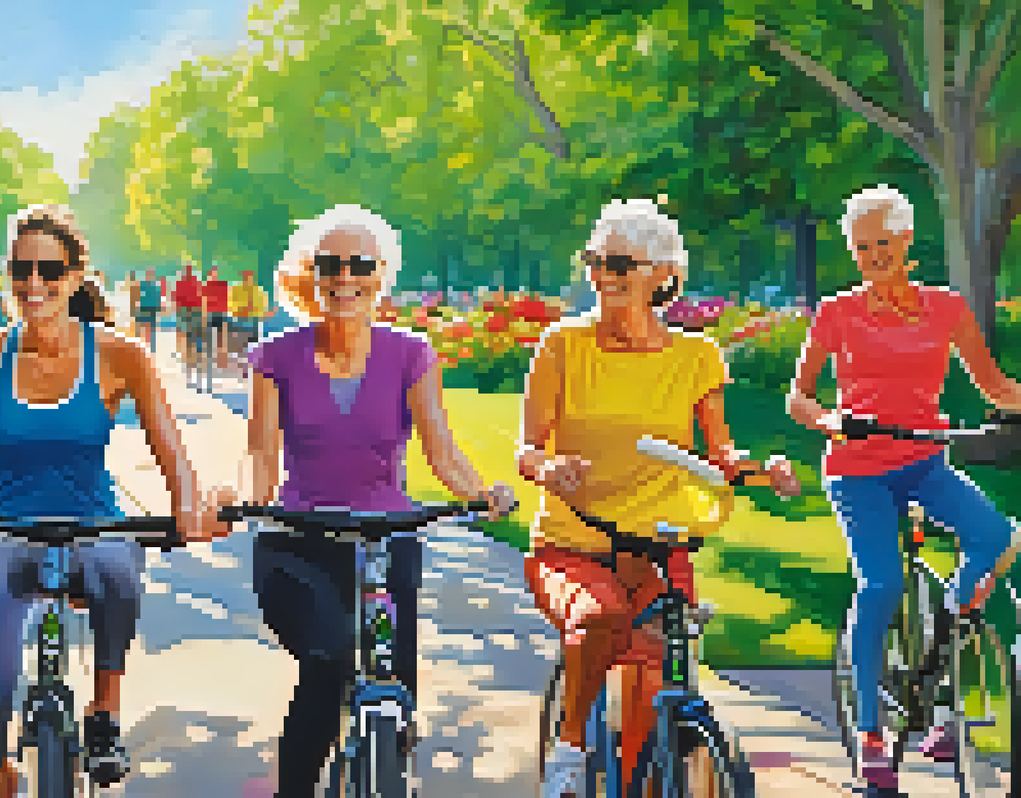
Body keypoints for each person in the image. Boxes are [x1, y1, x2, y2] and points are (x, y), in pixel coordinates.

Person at [0, 205, 233, 798]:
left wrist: (187, 506)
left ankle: (104, 711)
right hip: (2, 526)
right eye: (21, 269)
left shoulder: (119, 355)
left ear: (76, 275)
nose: (34, 283)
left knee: (120, 567)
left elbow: (170, 449)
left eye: (50, 270)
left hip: (92, 520)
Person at [522, 199, 799, 798]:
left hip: (659, 553)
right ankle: (569, 748)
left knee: (655, 706)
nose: (605, 274)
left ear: (664, 275)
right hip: (573, 547)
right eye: (597, 260)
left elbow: (720, 455)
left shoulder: (696, 356)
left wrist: (760, 471)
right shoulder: (561, 346)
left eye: (621, 263)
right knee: (597, 617)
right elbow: (528, 451)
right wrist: (549, 467)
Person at [245, 204, 517, 797]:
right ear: (309, 274)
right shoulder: (274, 357)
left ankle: (388, 763)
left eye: (360, 265)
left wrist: (483, 493)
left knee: (395, 691)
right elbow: (262, 458)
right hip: (298, 545)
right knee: (326, 661)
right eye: (330, 265)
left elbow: (441, 451)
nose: (345, 277)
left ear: (381, 276)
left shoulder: (411, 354)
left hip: (385, 543)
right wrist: (241, 502)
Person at [786, 185, 1021, 793]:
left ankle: (943, 652)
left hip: (924, 461)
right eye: (862, 247)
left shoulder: (947, 309)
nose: (872, 257)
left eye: (882, 244)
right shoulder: (837, 312)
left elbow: (996, 387)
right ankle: (870, 732)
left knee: (995, 536)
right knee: (883, 583)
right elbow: (799, 397)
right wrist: (831, 420)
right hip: (857, 467)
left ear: (907, 240)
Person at [228, 269, 270, 377]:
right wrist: (241, 309)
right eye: (245, 276)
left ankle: (250, 367)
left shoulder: (258, 291)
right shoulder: (236, 289)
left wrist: (251, 310)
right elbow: (231, 304)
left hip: (253, 321)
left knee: (253, 345)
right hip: (240, 320)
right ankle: (242, 367)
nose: (247, 279)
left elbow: (263, 306)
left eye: (249, 276)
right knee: (240, 345)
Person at [172, 263, 204, 381]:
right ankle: (192, 360)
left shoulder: (184, 282)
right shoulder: (195, 282)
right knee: (193, 337)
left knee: (189, 337)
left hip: (188, 311)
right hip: (192, 311)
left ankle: (190, 360)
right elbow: (200, 297)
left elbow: (177, 298)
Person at [202, 265, 230, 375]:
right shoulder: (207, 286)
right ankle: (209, 362)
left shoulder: (222, 285)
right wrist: (204, 315)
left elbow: (226, 299)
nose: (213, 275)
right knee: (209, 339)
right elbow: (204, 301)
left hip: (220, 313)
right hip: (211, 313)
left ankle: (221, 362)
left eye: (214, 272)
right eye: (211, 273)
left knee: (221, 340)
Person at [135, 267, 164, 352]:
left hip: (149, 308)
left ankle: (150, 346)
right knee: (147, 327)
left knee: (148, 327)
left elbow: (157, 297)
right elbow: (140, 296)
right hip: (147, 307)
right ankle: (149, 346)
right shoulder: (147, 284)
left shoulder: (148, 284)